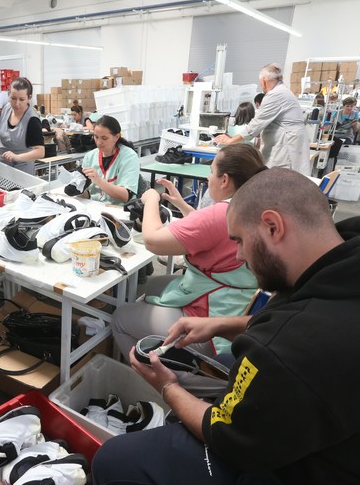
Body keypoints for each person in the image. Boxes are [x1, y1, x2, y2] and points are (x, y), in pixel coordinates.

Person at [92, 168, 360, 485]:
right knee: (229, 360)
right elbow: (318, 333)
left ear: (273, 226)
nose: (239, 256)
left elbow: (228, 436)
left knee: (115, 461)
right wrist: (223, 323)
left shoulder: (299, 346)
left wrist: (167, 387)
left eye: (239, 240)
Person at [111, 144, 263, 396]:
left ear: (225, 180)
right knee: (154, 286)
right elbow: (211, 231)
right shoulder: (250, 204)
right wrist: (182, 205)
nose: (208, 177)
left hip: (213, 324)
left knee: (120, 317)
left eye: (211, 171)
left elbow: (153, 240)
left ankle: (158, 387)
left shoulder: (221, 212)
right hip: (238, 304)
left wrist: (151, 199)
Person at [215, 64, 310, 176]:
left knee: (280, 178)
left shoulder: (275, 95)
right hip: (291, 143)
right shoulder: (284, 91)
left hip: (286, 146)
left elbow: (256, 124)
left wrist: (230, 141)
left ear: (263, 81)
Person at [80, 115, 139, 206]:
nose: (99, 142)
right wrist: (78, 190)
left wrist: (99, 181)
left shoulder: (129, 157)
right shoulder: (90, 157)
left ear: (116, 137)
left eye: (104, 138)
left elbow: (125, 196)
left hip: (118, 209)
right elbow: (88, 192)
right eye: (96, 137)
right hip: (94, 207)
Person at [0, 77, 45, 174]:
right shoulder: (5, 109)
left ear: (29, 98)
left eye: (21, 99)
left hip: (21, 170)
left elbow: (40, 152)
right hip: (1, 166)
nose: (17, 104)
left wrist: (17, 157)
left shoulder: (32, 120)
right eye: (13, 98)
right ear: (8, 95)